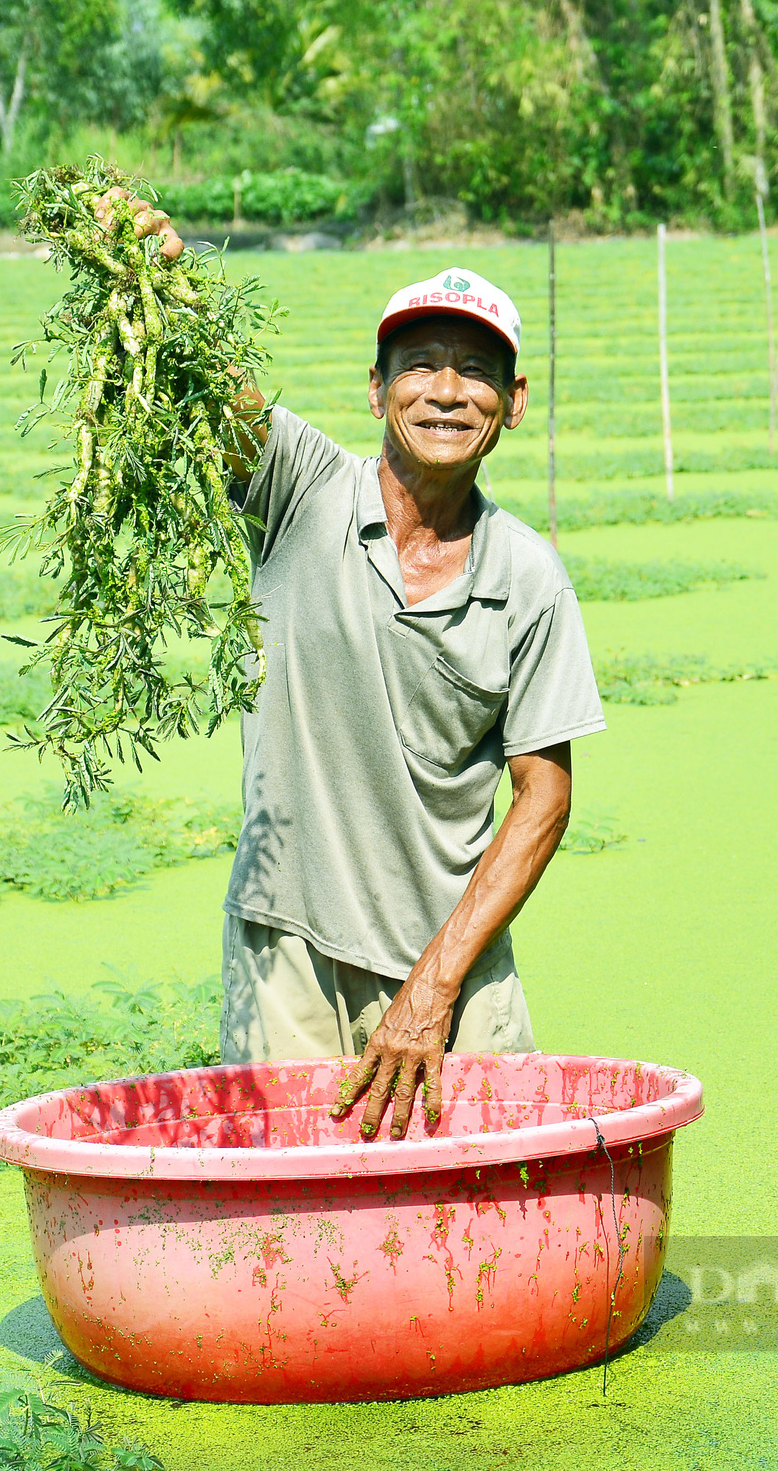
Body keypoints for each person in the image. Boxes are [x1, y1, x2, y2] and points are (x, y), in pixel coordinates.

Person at [108, 194, 606, 1141]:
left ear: (516, 400)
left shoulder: (527, 576)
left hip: (453, 960)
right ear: (377, 390)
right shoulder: (303, 489)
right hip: (287, 951)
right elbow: (217, 387)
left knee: (486, 1227)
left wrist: (436, 982)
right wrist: (161, 274)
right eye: (419, 366)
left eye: (475, 372)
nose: (447, 392)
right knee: (295, 1236)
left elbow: (544, 797)